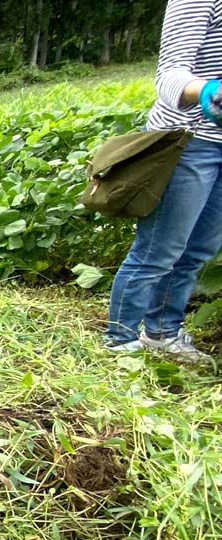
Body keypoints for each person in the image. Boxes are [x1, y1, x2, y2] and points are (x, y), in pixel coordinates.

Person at [104, 0, 222, 364]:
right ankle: (120, 340)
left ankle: (163, 334)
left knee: (198, 251)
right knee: (159, 250)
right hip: (188, 140)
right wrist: (207, 92)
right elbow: (170, 74)